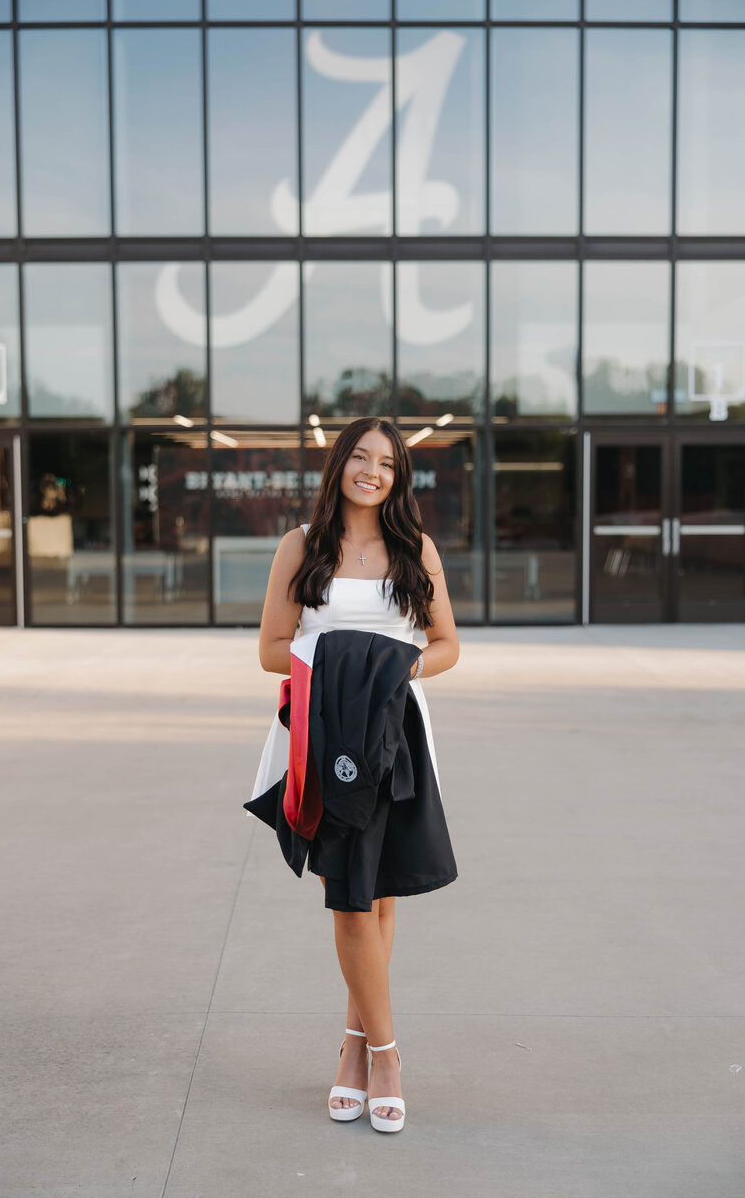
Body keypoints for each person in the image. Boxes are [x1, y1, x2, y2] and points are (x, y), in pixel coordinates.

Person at [256, 416, 460, 1133]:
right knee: (348, 898)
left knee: (377, 900)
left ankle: (356, 1050)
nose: (373, 471)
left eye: (388, 463)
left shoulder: (415, 548)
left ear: (399, 476)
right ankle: (390, 1055)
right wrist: (351, 664)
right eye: (361, 457)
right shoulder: (301, 547)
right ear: (339, 462)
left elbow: (445, 648)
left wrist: (391, 667)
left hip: (394, 736)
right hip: (320, 737)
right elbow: (272, 651)